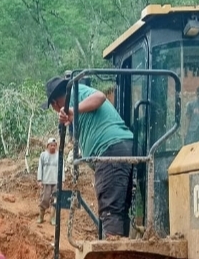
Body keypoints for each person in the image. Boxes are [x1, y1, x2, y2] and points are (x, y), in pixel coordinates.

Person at [46, 74, 135, 238]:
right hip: (121, 147)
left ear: (54, 104)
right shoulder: (76, 100)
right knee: (120, 210)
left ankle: (114, 258)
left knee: (110, 211)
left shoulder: (76, 93)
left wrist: (72, 110)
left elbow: (100, 97)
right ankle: (122, 251)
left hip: (109, 150)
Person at [37, 139, 60, 226]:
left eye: (54, 145)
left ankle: (52, 218)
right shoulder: (43, 155)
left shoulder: (59, 156)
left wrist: (62, 180)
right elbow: (40, 167)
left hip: (56, 182)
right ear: (47, 146)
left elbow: (62, 168)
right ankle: (41, 217)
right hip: (46, 181)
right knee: (44, 199)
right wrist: (39, 180)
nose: (53, 147)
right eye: (51, 145)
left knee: (55, 200)